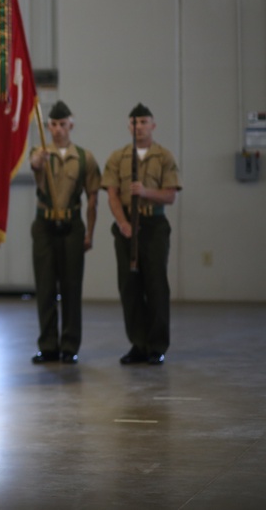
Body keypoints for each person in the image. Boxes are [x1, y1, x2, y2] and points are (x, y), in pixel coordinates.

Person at [101, 103, 181, 365]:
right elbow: (112, 194)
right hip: (127, 227)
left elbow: (169, 195)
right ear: (129, 126)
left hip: (154, 226)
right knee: (129, 286)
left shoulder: (164, 156)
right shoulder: (118, 157)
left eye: (144, 122)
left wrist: (146, 192)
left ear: (153, 125)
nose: (139, 127)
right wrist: (123, 223)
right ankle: (138, 343)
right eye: (135, 123)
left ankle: (157, 345)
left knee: (156, 284)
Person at [28, 101, 101, 364]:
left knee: (71, 287)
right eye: (53, 124)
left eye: (62, 124)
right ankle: (48, 345)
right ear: (47, 126)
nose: (58, 129)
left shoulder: (84, 157)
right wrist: (38, 160)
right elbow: (35, 165)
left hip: (72, 226)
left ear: (71, 124)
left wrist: (90, 233)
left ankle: (70, 345)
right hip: (45, 226)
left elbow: (93, 199)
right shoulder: (40, 153)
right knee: (45, 287)